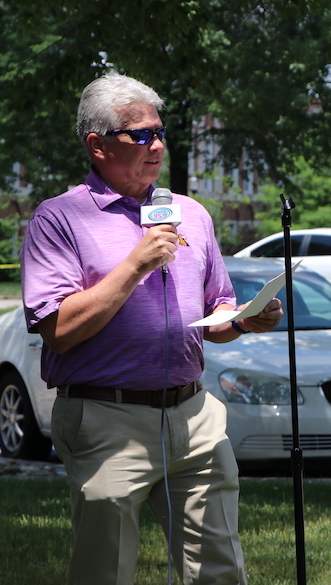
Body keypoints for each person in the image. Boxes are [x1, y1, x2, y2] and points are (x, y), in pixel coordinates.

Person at [20, 71, 283, 585]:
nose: (157, 145)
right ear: (97, 145)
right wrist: (136, 264)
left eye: (159, 131)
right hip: (105, 416)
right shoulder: (59, 219)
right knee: (105, 570)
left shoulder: (190, 214)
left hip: (193, 413)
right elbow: (57, 329)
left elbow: (215, 314)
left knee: (219, 570)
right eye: (140, 135)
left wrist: (244, 321)